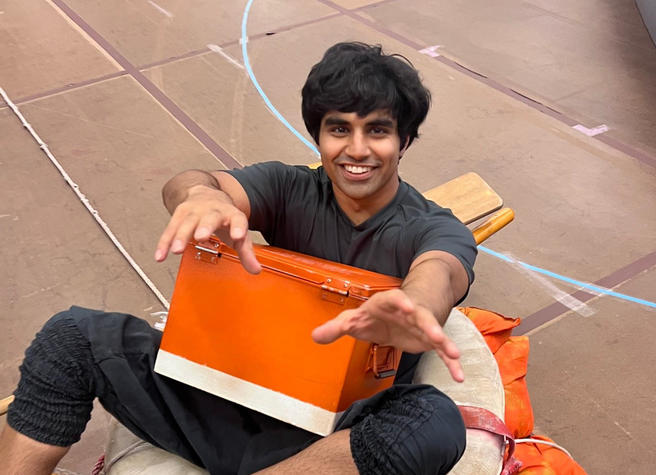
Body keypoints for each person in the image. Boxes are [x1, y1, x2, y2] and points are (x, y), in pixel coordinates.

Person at [0, 42, 478, 474]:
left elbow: (439, 272)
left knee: (434, 421)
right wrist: (199, 196)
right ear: (318, 135)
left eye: (377, 130)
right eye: (339, 128)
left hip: (330, 436)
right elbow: (195, 181)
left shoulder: (434, 226)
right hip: (228, 398)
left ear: (405, 140)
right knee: (72, 336)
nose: (356, 149)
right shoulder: (288, 185)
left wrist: (414, 307)